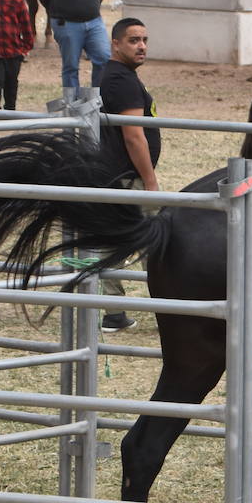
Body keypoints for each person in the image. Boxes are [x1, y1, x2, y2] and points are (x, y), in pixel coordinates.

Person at [97, 18, 160, 333]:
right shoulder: (122, 80)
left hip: (118, 174)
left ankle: (114, 313)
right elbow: (134, 135)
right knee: (157, 242)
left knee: (116, 242)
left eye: (145, 39)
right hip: (129, 176)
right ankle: (171, 306)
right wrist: (149, 181)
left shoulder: (120, 76)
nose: (142, 46)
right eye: (134, 40)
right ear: (116, 44)